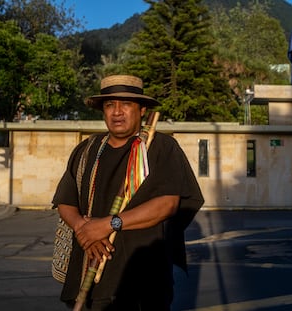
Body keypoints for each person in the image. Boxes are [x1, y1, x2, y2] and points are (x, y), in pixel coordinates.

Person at [52, 74, 204, 311]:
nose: (117, 112)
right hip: (86, 271)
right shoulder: (87, 149)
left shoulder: (160, 147)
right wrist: (85, 230)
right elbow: (65, 201)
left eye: (126, 104)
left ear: (142, 109)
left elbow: (167, 204)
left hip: (142, 281)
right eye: (110, 105)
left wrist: (108, 224)